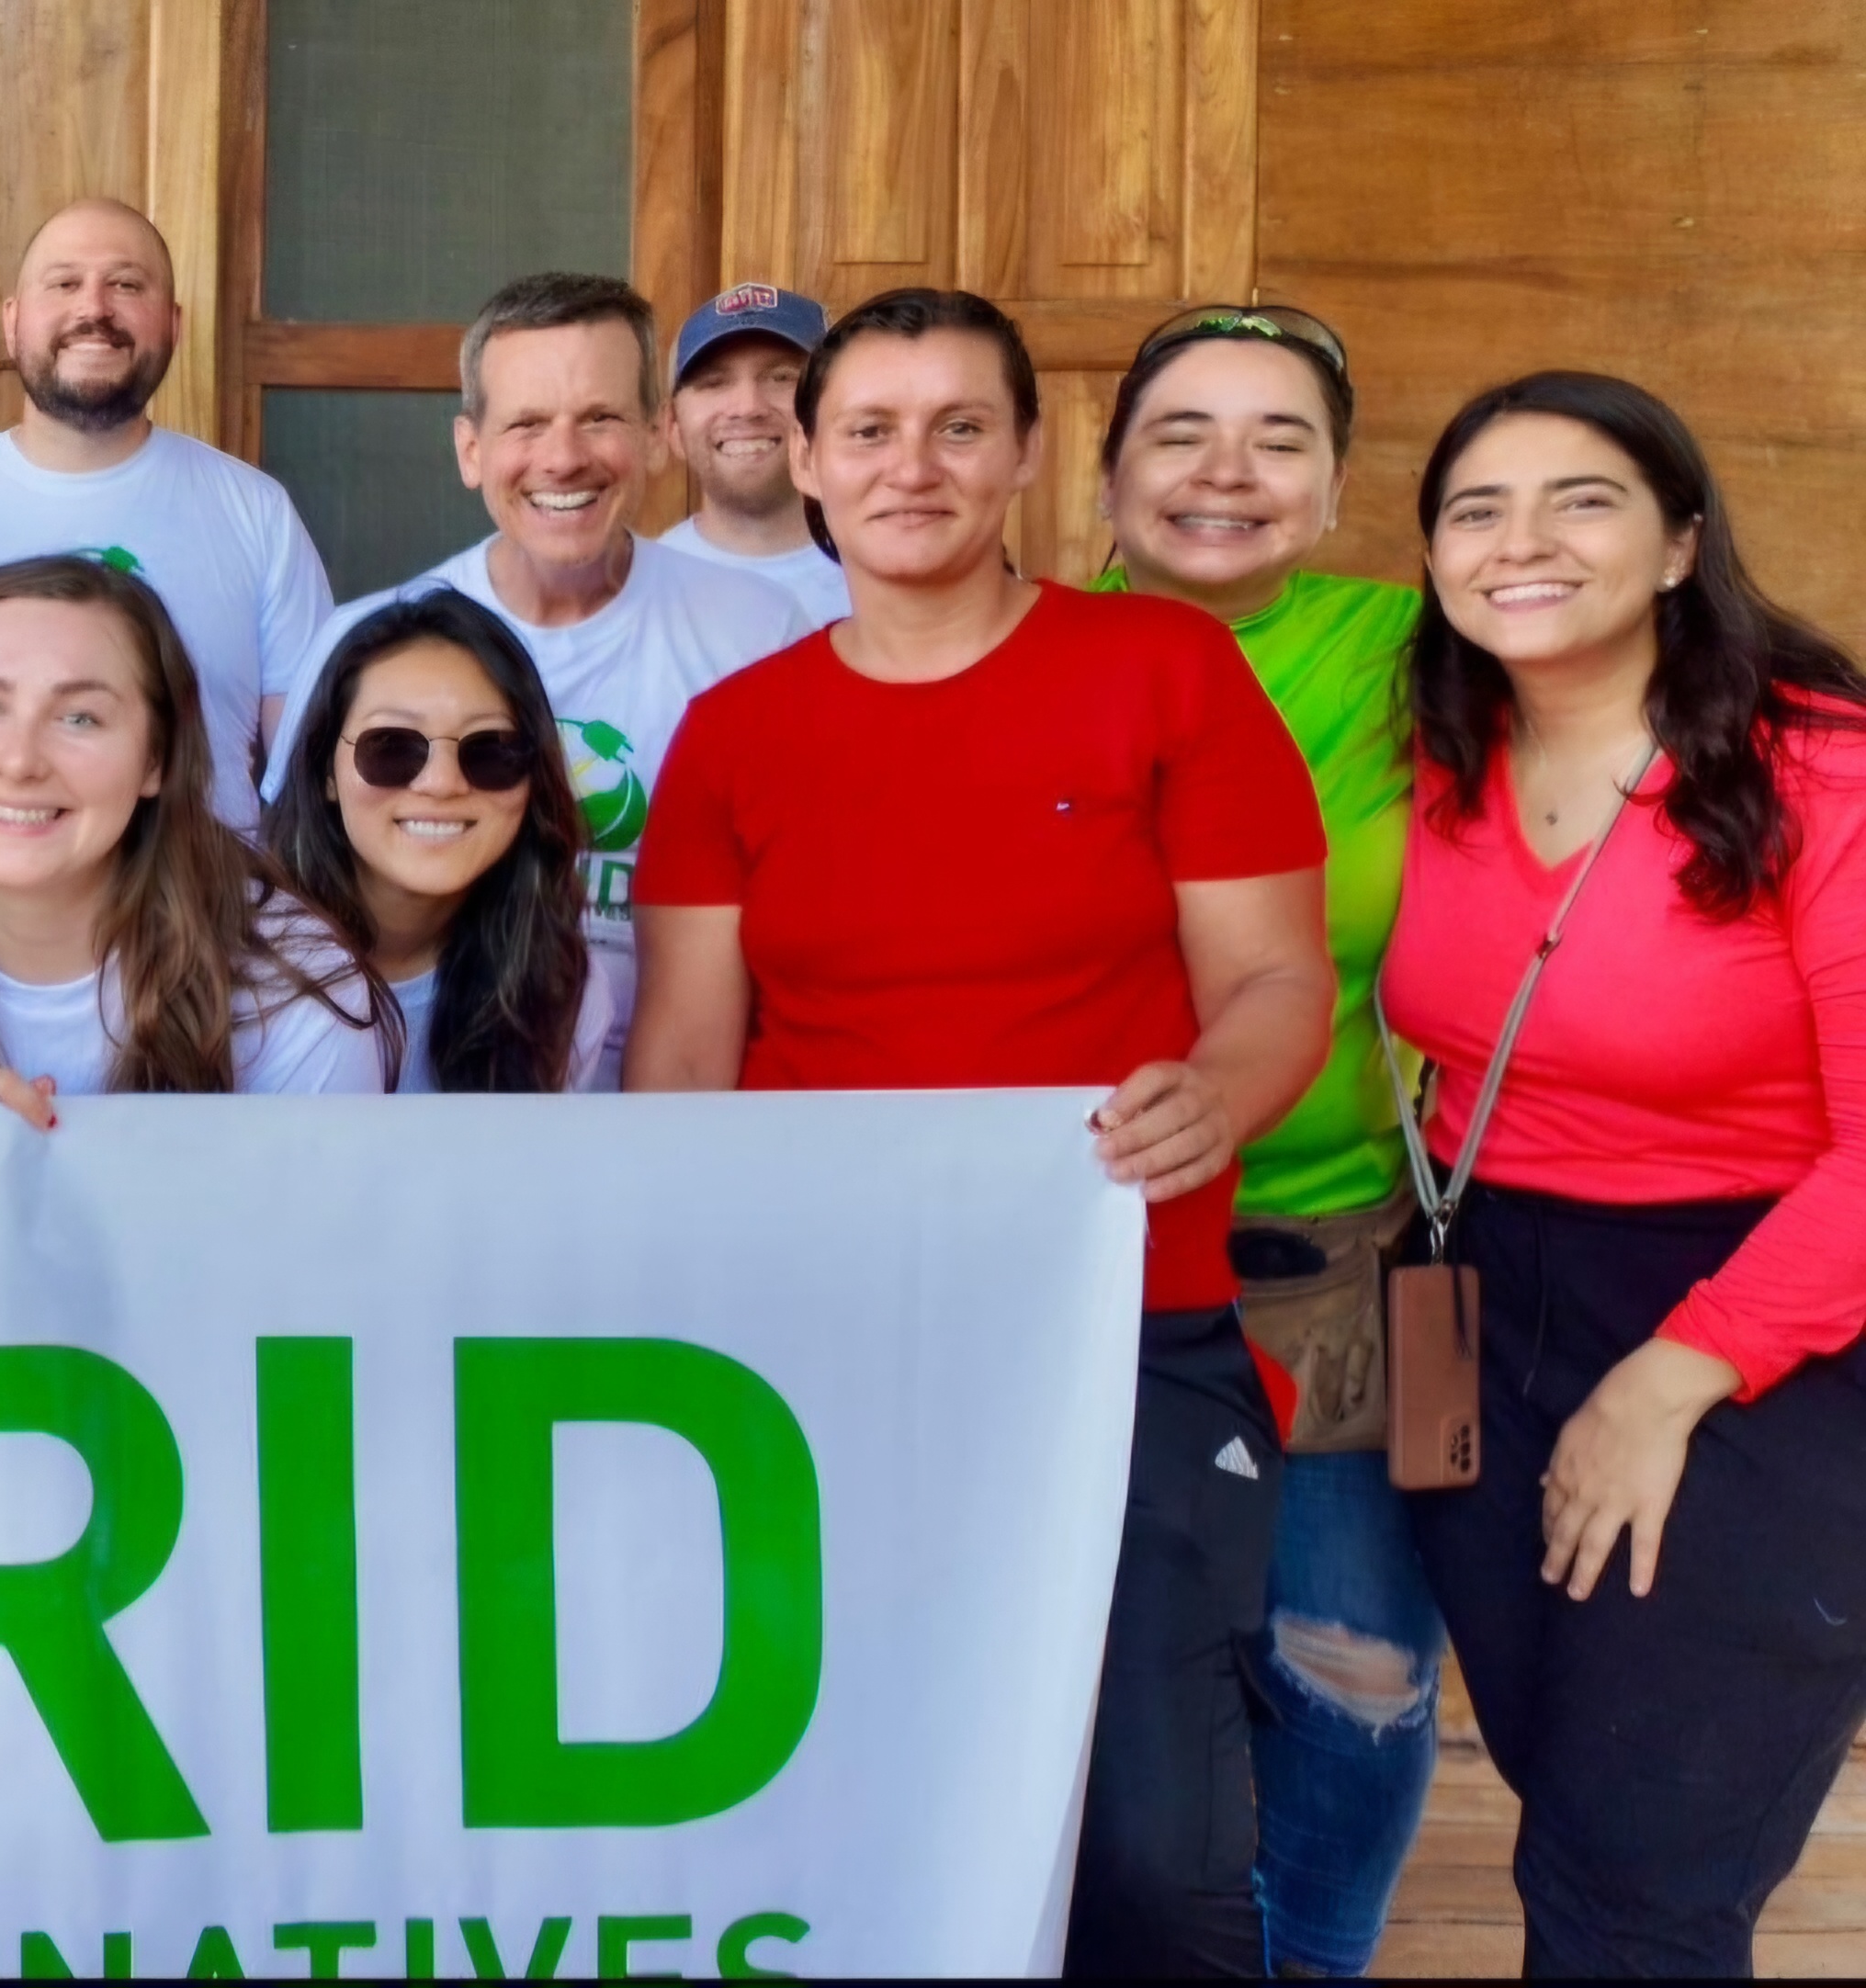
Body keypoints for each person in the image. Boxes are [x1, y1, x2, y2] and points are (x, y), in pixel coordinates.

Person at [624, 288, 1332, 1976]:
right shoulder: (739, 731)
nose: (912, 465)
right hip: (819, 1353)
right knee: (852, 1806)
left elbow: (1277, 982)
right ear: (803, 457)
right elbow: (683, 1061)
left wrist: (1213, 1093)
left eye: (959, 426)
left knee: (1159, 1849)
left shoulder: (1164, 667)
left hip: (1126, 1327)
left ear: (1025, 454)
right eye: (866, 428)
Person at [1381, 372, 1866, 1976]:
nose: (1521, 540)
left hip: (1762, 1315)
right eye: (1475, 508)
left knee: (1638, 1864)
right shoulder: (1437, 749)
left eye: (1580, 497)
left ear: (1678, 544)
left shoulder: (1821, 772)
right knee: (1568, 1792)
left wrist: (1680, 1369)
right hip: (1473, 1288)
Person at [1091, 303, 1436, 1980]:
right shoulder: (1011, 641)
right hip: (1079, 1255)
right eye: (1181, 431)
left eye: (1279, 438)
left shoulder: (1425, 651)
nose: (1227, 472)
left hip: (1327, 1250)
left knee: (1351, 1668)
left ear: (1337, 482)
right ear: (1101, 467)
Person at [257, 273, 810, 1085]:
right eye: (527, 423)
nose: (564, 457)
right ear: (470, 450)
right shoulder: (368, 645)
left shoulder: (762, 634)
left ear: (658, 434)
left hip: (689, 1107)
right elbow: (293, 890)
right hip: (412, 1103)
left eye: (600, 418)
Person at [0, 555, 386, 1114]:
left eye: (80, 717)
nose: (19, 761)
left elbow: (317, 1214)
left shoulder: (290, 986)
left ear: (156, 759)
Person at [0, 198, 330, 833]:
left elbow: (306, 765)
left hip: (209, 917)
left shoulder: (258, 513)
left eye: (126, 285)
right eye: (64, 283)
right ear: (13, 322)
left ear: (173, 324)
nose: (93, 308)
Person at [259, 591, 607, 1093]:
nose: (442, 783)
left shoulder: (560, 987)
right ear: (325, 774)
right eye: (392, 748)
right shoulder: (231, 961)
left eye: (490, 751)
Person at [653, 281, 851, 626]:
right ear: (672, 426)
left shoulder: (894, 577)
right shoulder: (639, 592)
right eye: (714, 383)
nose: (747, 407)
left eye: (781, 377)